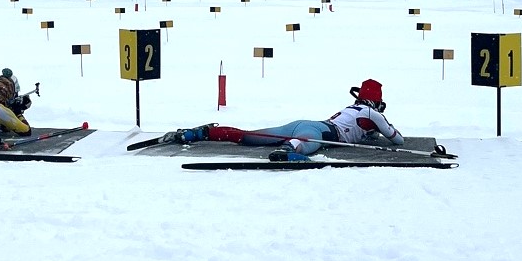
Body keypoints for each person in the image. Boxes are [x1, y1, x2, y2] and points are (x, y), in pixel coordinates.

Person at [162, 78, 404, 161]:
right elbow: (397, 140)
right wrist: (381, 127)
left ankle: (202, 133)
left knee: (248, 137)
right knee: (308, 142)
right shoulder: (374, 114)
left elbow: (359, 127)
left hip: (304, 123)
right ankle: (289, 150)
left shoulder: (352, 108)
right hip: (320, 132)